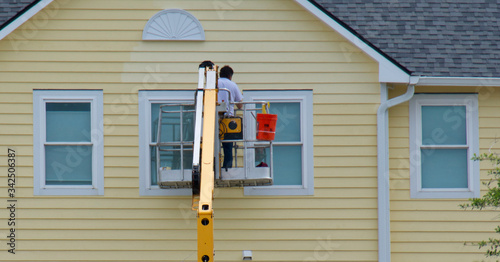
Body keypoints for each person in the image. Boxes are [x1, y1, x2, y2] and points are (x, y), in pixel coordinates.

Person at [218, 65, 243, 169]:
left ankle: (213, 166)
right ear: (230, 76)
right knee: (228, 146)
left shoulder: (214, 84)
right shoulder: (232, 85)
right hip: (228, 119)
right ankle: (227, 168)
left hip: (214, 117)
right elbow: (240, 105)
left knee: (213, 143)